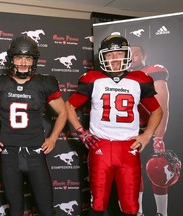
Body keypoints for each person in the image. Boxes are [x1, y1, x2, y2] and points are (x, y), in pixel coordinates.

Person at [65, 34, 163, 216]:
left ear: (127, 55)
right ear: (103, 57)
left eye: (118, 53)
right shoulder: (93, 79)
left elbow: (157, 111)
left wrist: (147, 135)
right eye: (110, 55)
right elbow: (69, 106)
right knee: (98, 204)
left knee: (131, 206)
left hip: (128, 147)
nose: (115, 59)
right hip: (100, 145)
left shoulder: (139, 79)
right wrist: (82, 132)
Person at [0, 35, 67, 216]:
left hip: (35, 152)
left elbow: (63, 112)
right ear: (11, 59)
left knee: (46, 209)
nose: (23, 63)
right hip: (9, 153)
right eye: (19, 58)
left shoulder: (44, 83)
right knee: (16, 209)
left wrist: (52, 138)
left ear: (34, 60)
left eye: (28, 58)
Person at [130, 45, 169, 216]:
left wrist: (158, 137)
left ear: (144, 55)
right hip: (130, 131)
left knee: (158, 170)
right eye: (129, 55)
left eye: (136, 54)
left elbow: (163, 107)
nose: (131, 58)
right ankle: (138, 211)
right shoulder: (121, 76)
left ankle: (162, 212)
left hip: (150, 129)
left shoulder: (153, 71)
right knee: (134, 172)